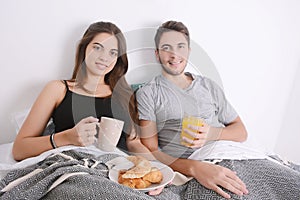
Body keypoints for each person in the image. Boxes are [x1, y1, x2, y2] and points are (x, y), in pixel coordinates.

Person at [133, 20, 300, 199]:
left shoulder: (208, 86)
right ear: (157, 54)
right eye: (167, 48)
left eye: (180, 47)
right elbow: (150, 150)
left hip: (234, 153)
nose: (174, 54)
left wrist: (212, 133)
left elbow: (241, 131)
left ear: (188, 52)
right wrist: (194, 167)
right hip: (198, 163)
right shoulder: (148, 93)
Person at [12, 21, 146, 161]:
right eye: (98, 48)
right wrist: (66, 137)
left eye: (113, 53)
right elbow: (19, 150)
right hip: (70, 167)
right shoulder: (58, 89)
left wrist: (160, 167)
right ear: (84, 48)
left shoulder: (124, 94)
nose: (104, 57)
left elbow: (134, 143)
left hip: (115, 170)